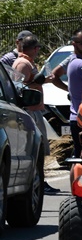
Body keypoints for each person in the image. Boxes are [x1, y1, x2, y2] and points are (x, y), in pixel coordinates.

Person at [12, 34, 58, 192]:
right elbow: (18, 86)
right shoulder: (23, 63)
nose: (38, 51)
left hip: (34, 109)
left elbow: (31, 80)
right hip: (30, 110)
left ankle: (39, 180)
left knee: (39, 146)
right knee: (37, 146)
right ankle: (37, 181)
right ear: (34, 48)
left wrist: (44, 80)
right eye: (37, 48)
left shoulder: (26, 62)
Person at [50, 29, 82, 158]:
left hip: (78, 117)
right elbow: (54, 76)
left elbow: (55, 75)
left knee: (78, 157)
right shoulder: (81, 64)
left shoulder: (72, 60)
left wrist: (69, 89)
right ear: (74, 44)